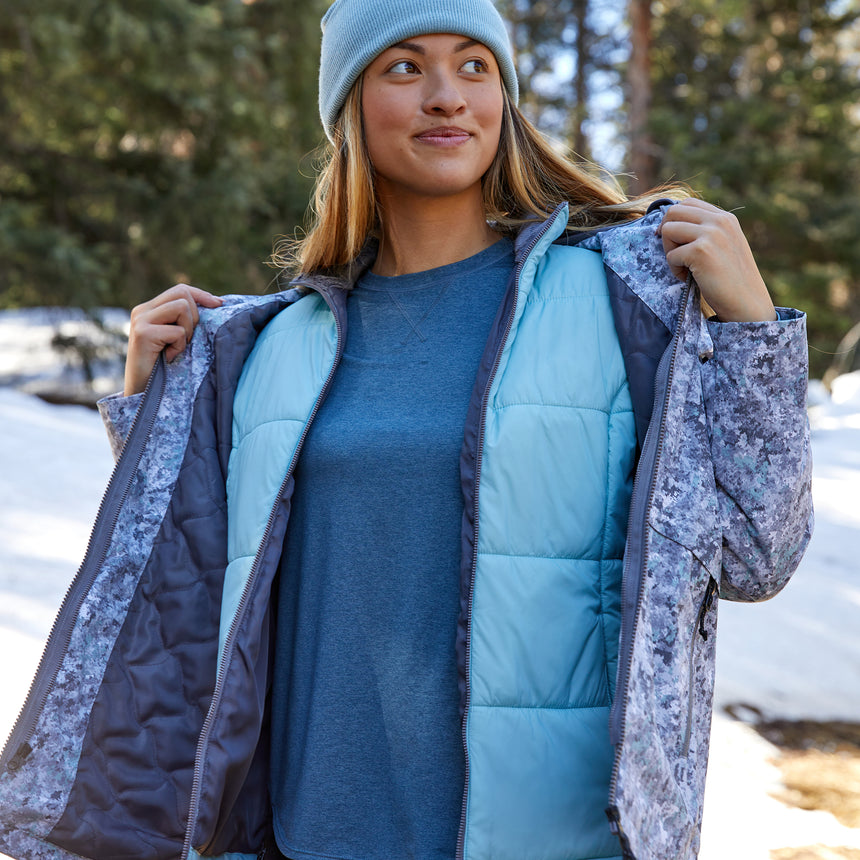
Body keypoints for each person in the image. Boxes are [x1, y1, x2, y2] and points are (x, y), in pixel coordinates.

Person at [0, 1, 812, 859]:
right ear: (348, 107)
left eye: (474, 65)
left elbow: (755, 556)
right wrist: (155, 407)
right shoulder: (269, 347)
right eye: (404, 66)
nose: (446, 95)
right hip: (303, 838)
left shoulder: (620, 306)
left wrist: (753, 329)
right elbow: (193, 588)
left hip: (546, 842)